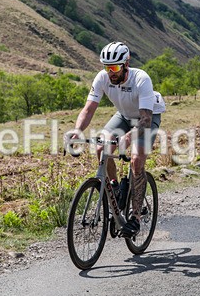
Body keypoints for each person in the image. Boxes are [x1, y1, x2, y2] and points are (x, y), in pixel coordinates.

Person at [66, 41, 166, 236]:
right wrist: (77, 130)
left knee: (136, 161)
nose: (110, 72)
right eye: (106, 67)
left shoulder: (141, 79)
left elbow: (145, 120)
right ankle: (115, 186)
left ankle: (136, 217)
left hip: (147, 117)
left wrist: (127, 139)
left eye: (114, 67)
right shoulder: (102, 78)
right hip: (123, 115)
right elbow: (88, 109)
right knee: (101, 147)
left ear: (126, 64)